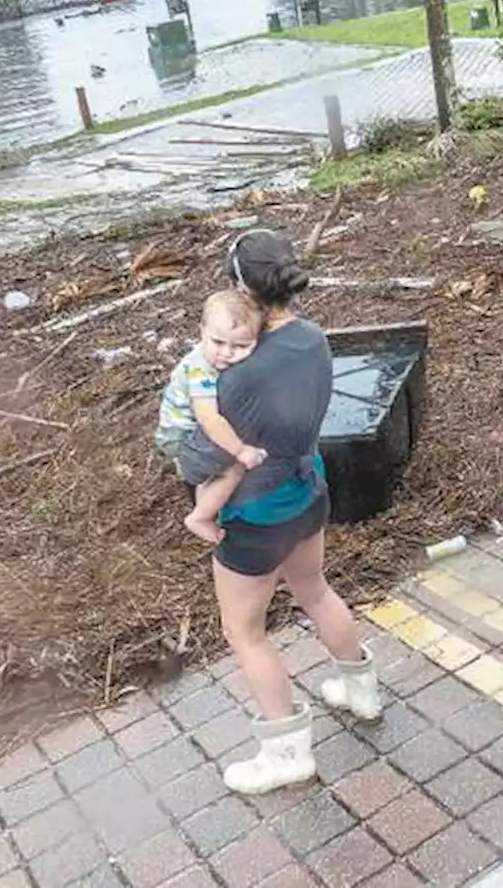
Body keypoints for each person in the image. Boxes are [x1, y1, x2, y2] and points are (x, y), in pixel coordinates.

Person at [179, 229, 380, 795]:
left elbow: (201, 457)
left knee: (245, 631)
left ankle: (286, 751)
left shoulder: (237, 373)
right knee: (314, 589)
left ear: (240, 285)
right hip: (310, 490)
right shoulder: (315, 337)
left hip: (257, 514)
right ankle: (361, 690)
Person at [156, 291, 270, 542]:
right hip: (182, 435)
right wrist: (241, 451)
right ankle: (200, 517)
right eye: (218, 342)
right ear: (201, 331)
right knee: (233, 469)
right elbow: (210, 420)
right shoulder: (201, 371)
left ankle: (207, 503)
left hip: (182, 430)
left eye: (240, 346)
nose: (226, 353)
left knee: (212, 474)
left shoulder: (218, 357)